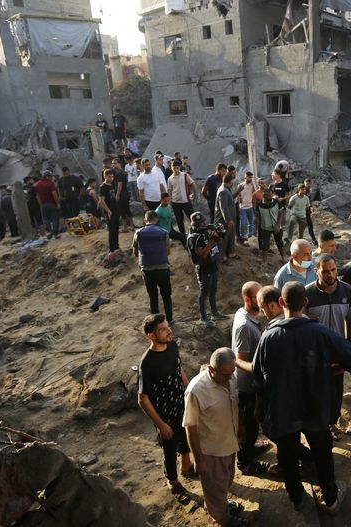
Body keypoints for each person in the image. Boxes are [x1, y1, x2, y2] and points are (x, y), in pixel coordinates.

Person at [252, 282, 351, 514]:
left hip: (283, 410)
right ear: (306, 303)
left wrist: (259, 410)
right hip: (315, 408)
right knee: (322, 453)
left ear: (281, 303)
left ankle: (297, 498)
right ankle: (330, 499)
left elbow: (259, 381)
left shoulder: (268, 337)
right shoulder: (321, 333)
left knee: (288, 454)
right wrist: (328, 369)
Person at [183, 348, 248, 527]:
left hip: (229, 441)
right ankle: (222, 519)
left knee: (225, 481)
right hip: (211, 450)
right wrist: (199, 460)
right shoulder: (196, 390)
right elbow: (191, 428)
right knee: (215, 486)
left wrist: (240, 426)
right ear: (212, 370)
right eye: (225, 374)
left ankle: (219, 506)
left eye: (232, 372)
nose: (230, 378)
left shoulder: (230, 376)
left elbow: (234, 403)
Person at [137, 314, 195, 504]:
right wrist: (161, 425)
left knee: (186, 438)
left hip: (182, 406)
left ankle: (187, 468)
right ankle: (173, 482)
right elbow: (143, 399)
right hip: (165, 415)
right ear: (151, 336)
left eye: (168, 326)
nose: (169, 331)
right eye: (163, 329)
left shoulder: (172, 346)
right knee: (169, 450)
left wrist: (190, 393)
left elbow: (179, 371)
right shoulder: (147, 363)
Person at [306, 254, 351, 439]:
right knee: (316, 391)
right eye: (325, 271)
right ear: (316, 272)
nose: (330, 275)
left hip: (337, 353)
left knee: (336, 391)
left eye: (333, 270)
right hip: (314, 355)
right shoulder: (307, 295)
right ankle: (317, 426)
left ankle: (331, 424)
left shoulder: (347, 291)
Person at [231, 282, 271, 476]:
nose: (262, 298)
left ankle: (250, 449)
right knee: (249, 424)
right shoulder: (244, 326)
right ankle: (245, 463)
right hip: (247, 387)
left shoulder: (249, 316)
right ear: (247, 300)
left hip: (252, 383)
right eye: (258, 296)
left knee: (253, 424)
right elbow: (239, 360)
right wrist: (259, 371)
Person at [187, 212, 228, 328]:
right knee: (204, 293)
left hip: (212, 264)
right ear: (194, 224)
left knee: (213, 291)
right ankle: (203, 317)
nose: (204, 224)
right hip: (203, 268)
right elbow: (203, 254)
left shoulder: (206, 231)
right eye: (200, 223)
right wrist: (211, 240)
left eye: (204, 222)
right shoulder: (193, 238)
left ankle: (215, 312)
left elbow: (219, 241)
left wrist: (219, 234)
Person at [133, 211, 173, 321]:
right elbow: (168, 252)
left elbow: (135, 253)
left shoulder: (138, 233)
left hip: (147, 270)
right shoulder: (163, 232)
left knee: (153, 297)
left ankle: (156, 322)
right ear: (157, 220)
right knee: (166, 296)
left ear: (145, 220)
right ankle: (169, 319)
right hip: (162, 269)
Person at [167, 160, 197, 236]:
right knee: (179, 220)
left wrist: (194, 194)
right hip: (175, 203)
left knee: (192, 217)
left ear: (179, 167)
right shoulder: (170, 179)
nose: (175, 169)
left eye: (177, 167)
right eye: (174, 168)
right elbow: (170, 191)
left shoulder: (185, 175)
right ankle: (183, 235)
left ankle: (195, 232)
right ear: (171, 168)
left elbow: (193, 184)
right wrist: (169, 201)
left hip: (186, 201)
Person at [256, 190, 286, 265]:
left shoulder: (276, 202)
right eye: (267, 196)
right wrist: (257, 228)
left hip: (277, 227)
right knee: (265, 245)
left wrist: (278, 225)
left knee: (279, 243)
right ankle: (265, 261)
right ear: (264, 196)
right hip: (265, 228)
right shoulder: (259, 205)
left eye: (270, 195)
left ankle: (283, 258)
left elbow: (281, 213)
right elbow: (257, 217)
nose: (269, 197)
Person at [217, 173, 238, 262]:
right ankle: (222, 257)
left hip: (230, 219)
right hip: (224, 220)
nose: (233, 183)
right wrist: (228, 220)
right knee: (224, 238)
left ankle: (231, 253)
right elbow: (223, 207)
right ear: (229, 182)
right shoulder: (223, 191)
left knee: (230, 236)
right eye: (232, 181)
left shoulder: (226, 189)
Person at [98, 169, 120, 255]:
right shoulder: (102, 187)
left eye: (112, 177)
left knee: (116, 229)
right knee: (112, 230)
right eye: (109, 177)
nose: (111, 178)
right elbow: (101, 200)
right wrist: (108, 210)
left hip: (115, 209)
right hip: (109, 211)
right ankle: (111, 250)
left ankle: (116, 247)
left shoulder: (111, 185)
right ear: (105, 177)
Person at [35, 170, 61, 238]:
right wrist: (57, 203)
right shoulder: (50, 183)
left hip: (43, 205)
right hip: (51, 203)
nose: (51, 178)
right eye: (50, 176)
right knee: (55, 218)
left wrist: (40, 204)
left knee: (45, 219)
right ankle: (55, 233)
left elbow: (37, 196)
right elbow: (54, 194)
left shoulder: (38, 184)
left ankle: (49, 232)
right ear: (47, 177)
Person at [112, 158, 133, 231]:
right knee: (127, 210)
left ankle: (125, 228)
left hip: (122, 194)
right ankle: (131, 226)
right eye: (113, 163)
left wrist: (117, 195)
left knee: (122, 210)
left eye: (115, 163)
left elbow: (120, 184)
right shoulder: (123, 172)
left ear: (119, 163)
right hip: (126, 193)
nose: (113, 165)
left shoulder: (119, 173)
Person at [235, 171, 257, 242]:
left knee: (251, 222)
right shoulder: (240, 185)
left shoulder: (252, 185)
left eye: (251, 177)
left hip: (250, 206)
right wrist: (239, 207)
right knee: (243, 223)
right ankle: (242, 236)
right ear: (245, 177)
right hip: (242, 208)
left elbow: (255, 193)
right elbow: (238, 197)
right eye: (249, 177)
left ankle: (250, 236)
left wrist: (253, 185)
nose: (250, 179)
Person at [302, 178, 319, 246]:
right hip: (302, 210)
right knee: (309, 225)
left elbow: (309, 200)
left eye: (309, 184)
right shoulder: (302, 191)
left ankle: (300, 236)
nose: (308, 185)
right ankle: (313, 239)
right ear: (304, 183)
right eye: (307, 184)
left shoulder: (309, 190)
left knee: (306, 224)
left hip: (307, 210)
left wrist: (311, 206)